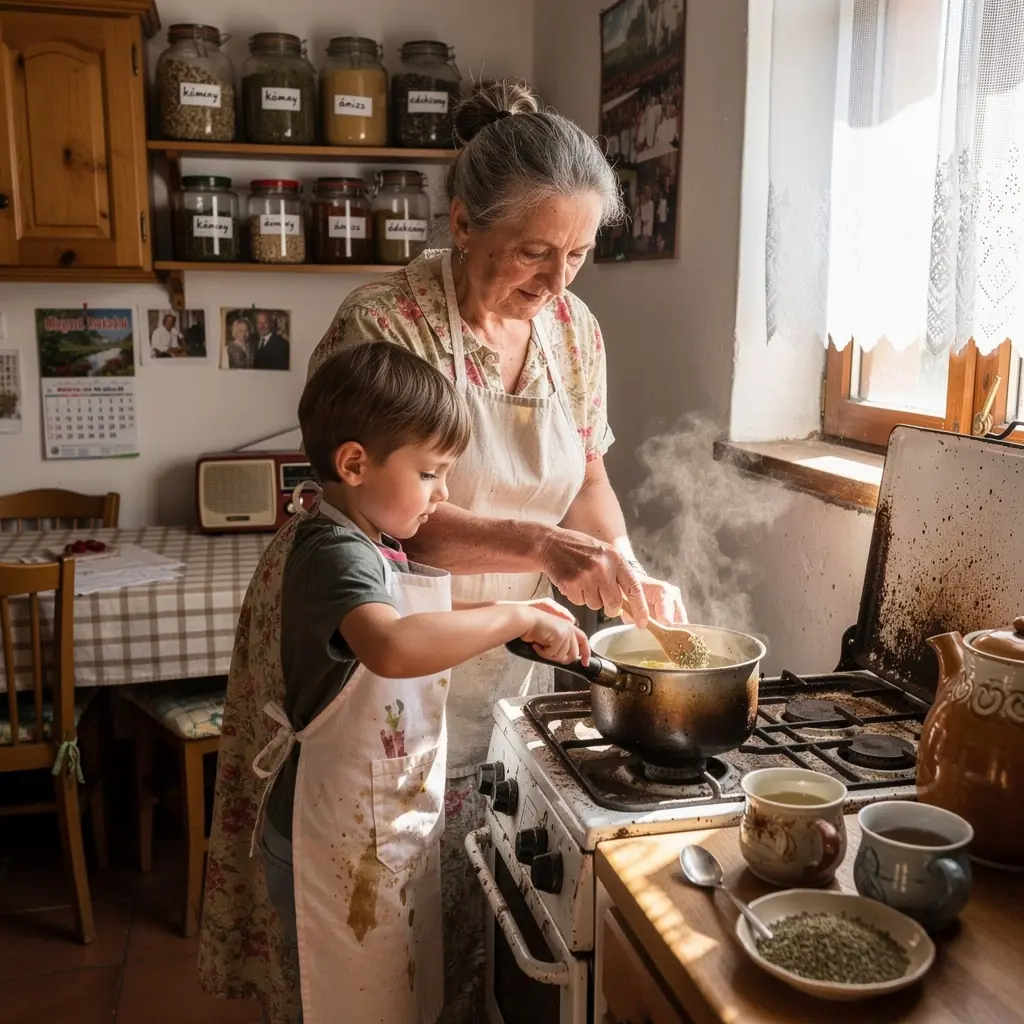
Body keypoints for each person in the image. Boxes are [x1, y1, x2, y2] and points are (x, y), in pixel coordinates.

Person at [199, 79, 685, 1024]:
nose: (557, 282)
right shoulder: (387, 322)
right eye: (534, 253)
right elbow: (389, 515)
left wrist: (621, 558)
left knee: (474, 890)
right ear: (463, 223)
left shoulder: (574, 333)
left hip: (502, 641)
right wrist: (542, 549)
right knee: (360, 896)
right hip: (381, 631)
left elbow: (587, 472)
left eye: (579, 254)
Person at [244, 341, 588, 1024]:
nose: (444, 495)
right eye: (431, 474)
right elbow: (394, 645)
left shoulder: (370, 539)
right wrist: (511, 612)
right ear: (353, 464)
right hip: (331, 836)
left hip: (370, 829)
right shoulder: (333, 549)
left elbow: (411, 616)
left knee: (390, 1000)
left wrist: (511, 619)